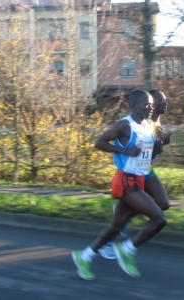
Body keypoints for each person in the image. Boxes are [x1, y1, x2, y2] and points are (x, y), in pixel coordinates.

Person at [72, 89, 167, 280]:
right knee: (159, 219)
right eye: (146, 105)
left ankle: (84, 256)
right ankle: (127, 249)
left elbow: (149, 153)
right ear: (134, 106)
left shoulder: (149, 125)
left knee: (116, 227)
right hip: (126, 180)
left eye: (151, 105)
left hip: (140, 177)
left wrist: (159, 143)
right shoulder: (125, 125)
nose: (151, 108)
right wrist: (125, 151)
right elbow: (99, 142)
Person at [98, 89, 171, 260]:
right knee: (124, 220)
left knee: (162, 204)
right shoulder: (140, 120)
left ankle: (127, 219)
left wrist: (161, 143)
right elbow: (107, 142)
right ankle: (110, 242)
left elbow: (150, 154)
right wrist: (130, 151)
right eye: (161, 101)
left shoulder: (155, 121)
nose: (164, 104)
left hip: (146, 170)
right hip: (131, 173)